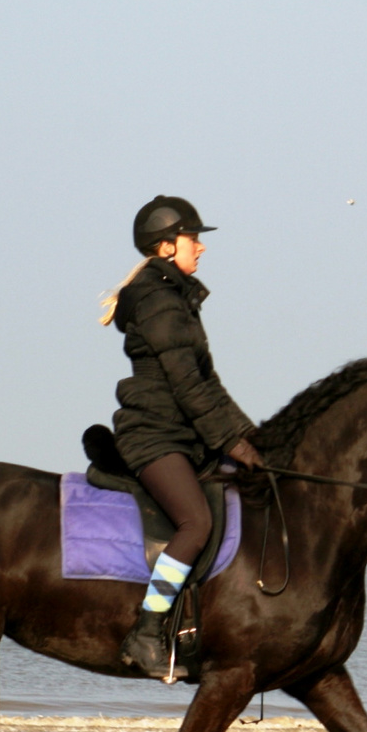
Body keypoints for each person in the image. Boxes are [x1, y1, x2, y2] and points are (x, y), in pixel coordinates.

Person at [99, 195, 264, 674]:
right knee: (196, 523)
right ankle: (147, 630)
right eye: (194, 238)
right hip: (154, 436)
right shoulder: (157, 301)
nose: (201, 248)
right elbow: (189, 389)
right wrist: (232, 443)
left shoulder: (175, 297)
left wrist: (253, 439)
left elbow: (209, 384)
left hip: (180, 434)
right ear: (167, 246)